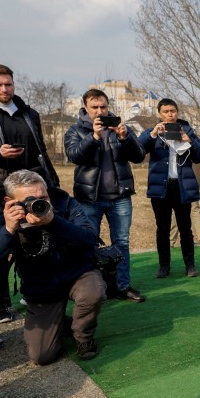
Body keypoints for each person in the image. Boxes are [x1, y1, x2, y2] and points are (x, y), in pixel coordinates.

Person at [0, 170, 105, 364]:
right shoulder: (2, 218)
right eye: (29, 200)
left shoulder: (63, 202)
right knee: (42, 356)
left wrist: (53, 221)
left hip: (78, 274)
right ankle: (62, 323)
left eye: (43, 197)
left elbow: (90, 238)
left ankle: (83, 336)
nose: (38, 203)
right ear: (9, 201)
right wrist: (9, 229)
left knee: (93, 292)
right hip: (42, 287)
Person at [0, 63, 60, 324]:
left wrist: (50, 183)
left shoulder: (29, 113)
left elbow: (41, 149)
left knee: (35, 243)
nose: (4, 89)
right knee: (0, 248)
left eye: (8, 84)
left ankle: (32, 292)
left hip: (30, 190)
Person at [64, 88, 147, 302]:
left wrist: (126, 137)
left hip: (120, 197)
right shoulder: (75, 131)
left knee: (122, 242)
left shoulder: (121, 128)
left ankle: (122, 286)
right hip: (89, 199)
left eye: (103, 106)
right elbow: (74, 156)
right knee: (88, 244)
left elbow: (139, 156)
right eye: (95, 107)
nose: (100, 111)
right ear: (85, 108)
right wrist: (93, 137)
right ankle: (94, 290)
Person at [139, 98, 200, 278]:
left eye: (173, 111)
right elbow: (138, 151)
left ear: (177, 112)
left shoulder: (187, 130)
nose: (170, 114)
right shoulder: (154, 132)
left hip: (181, 186)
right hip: (161, 188)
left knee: (185, 228)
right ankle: (164, 266)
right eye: (166, 112)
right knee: (162, 229)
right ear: (159, 114)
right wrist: (152, 134)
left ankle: (190, 266)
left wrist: (189, 140)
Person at [171, 160, 200, 247]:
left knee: (176, 211)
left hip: (180, 181)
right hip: (195, 181)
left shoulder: (177, 146)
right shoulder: (198, 146)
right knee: (195, 210)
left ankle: (170, 240)